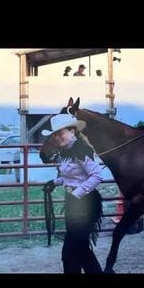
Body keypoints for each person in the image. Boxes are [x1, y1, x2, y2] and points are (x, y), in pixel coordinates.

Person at [41, 113, 104, 274]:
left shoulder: (83, 150)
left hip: (86, 205)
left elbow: (97, 175)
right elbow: (72, 177)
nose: (57, 137)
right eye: (55, 134)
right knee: (79, 249)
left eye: (60, 133)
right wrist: (55, 182)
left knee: (72, 251)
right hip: (73, 204)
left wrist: (77, 193)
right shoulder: (66, 152)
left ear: (72, 131)